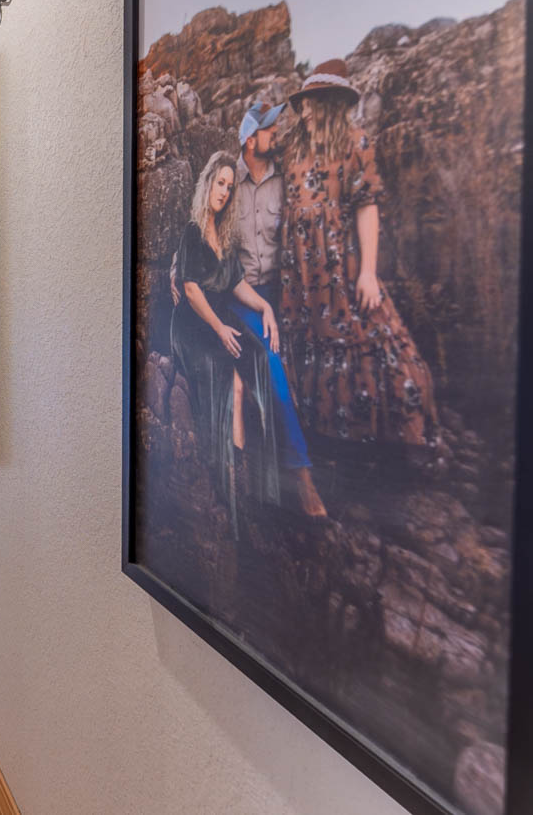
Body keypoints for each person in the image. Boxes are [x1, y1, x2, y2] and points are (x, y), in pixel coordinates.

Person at [279, 59, 439, 448]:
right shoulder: (293, 147)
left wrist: (368, 272)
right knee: (314, 340)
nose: (304, 111)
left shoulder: (355, 142)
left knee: (365, 330)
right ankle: (331, 441)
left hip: (340, 264)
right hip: (301, 271)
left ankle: (389, 439)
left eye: (311, 103)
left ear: (330, 103)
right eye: (302, 104)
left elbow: (367, 206)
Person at [176, 102, 326, 517]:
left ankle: (326, 454)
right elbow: (202, 250)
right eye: (268, 128)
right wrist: (178, 274)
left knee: (315, 358)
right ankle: (299, 476)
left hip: (280, 291)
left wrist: (276, 306)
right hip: (240, 297)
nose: (276, 133)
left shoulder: (284, 179)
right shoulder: (229, 186)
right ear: (249, 138)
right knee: (270, 364)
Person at [171, 151, 288, 536]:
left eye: (229, 186)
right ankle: (231, 476)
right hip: (194, 326)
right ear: (207, 184)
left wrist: (265, 307)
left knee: (258, 356)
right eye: (219, 183)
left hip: (219, 319)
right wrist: (220, 329)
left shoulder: (223, 235)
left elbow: (236, 285)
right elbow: (191, 290)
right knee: (230, 379)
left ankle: (264, 483)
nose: (223, 191)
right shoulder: (192, 231)